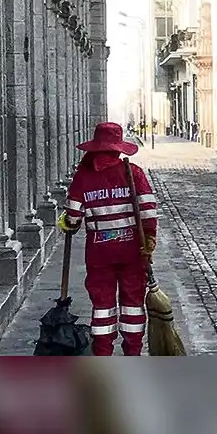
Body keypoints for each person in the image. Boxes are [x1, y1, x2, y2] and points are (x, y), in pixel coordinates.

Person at [56, 122, 158, 356]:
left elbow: (73, 218)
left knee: (102, 305)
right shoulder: (133, 173)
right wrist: (149, 240)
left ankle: (103, 352)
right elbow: (148, 211)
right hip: (133, 252)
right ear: (118, 148)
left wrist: (68, 222)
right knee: (133, 302)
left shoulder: (83, 177)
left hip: (99, 254)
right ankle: (133, 351)